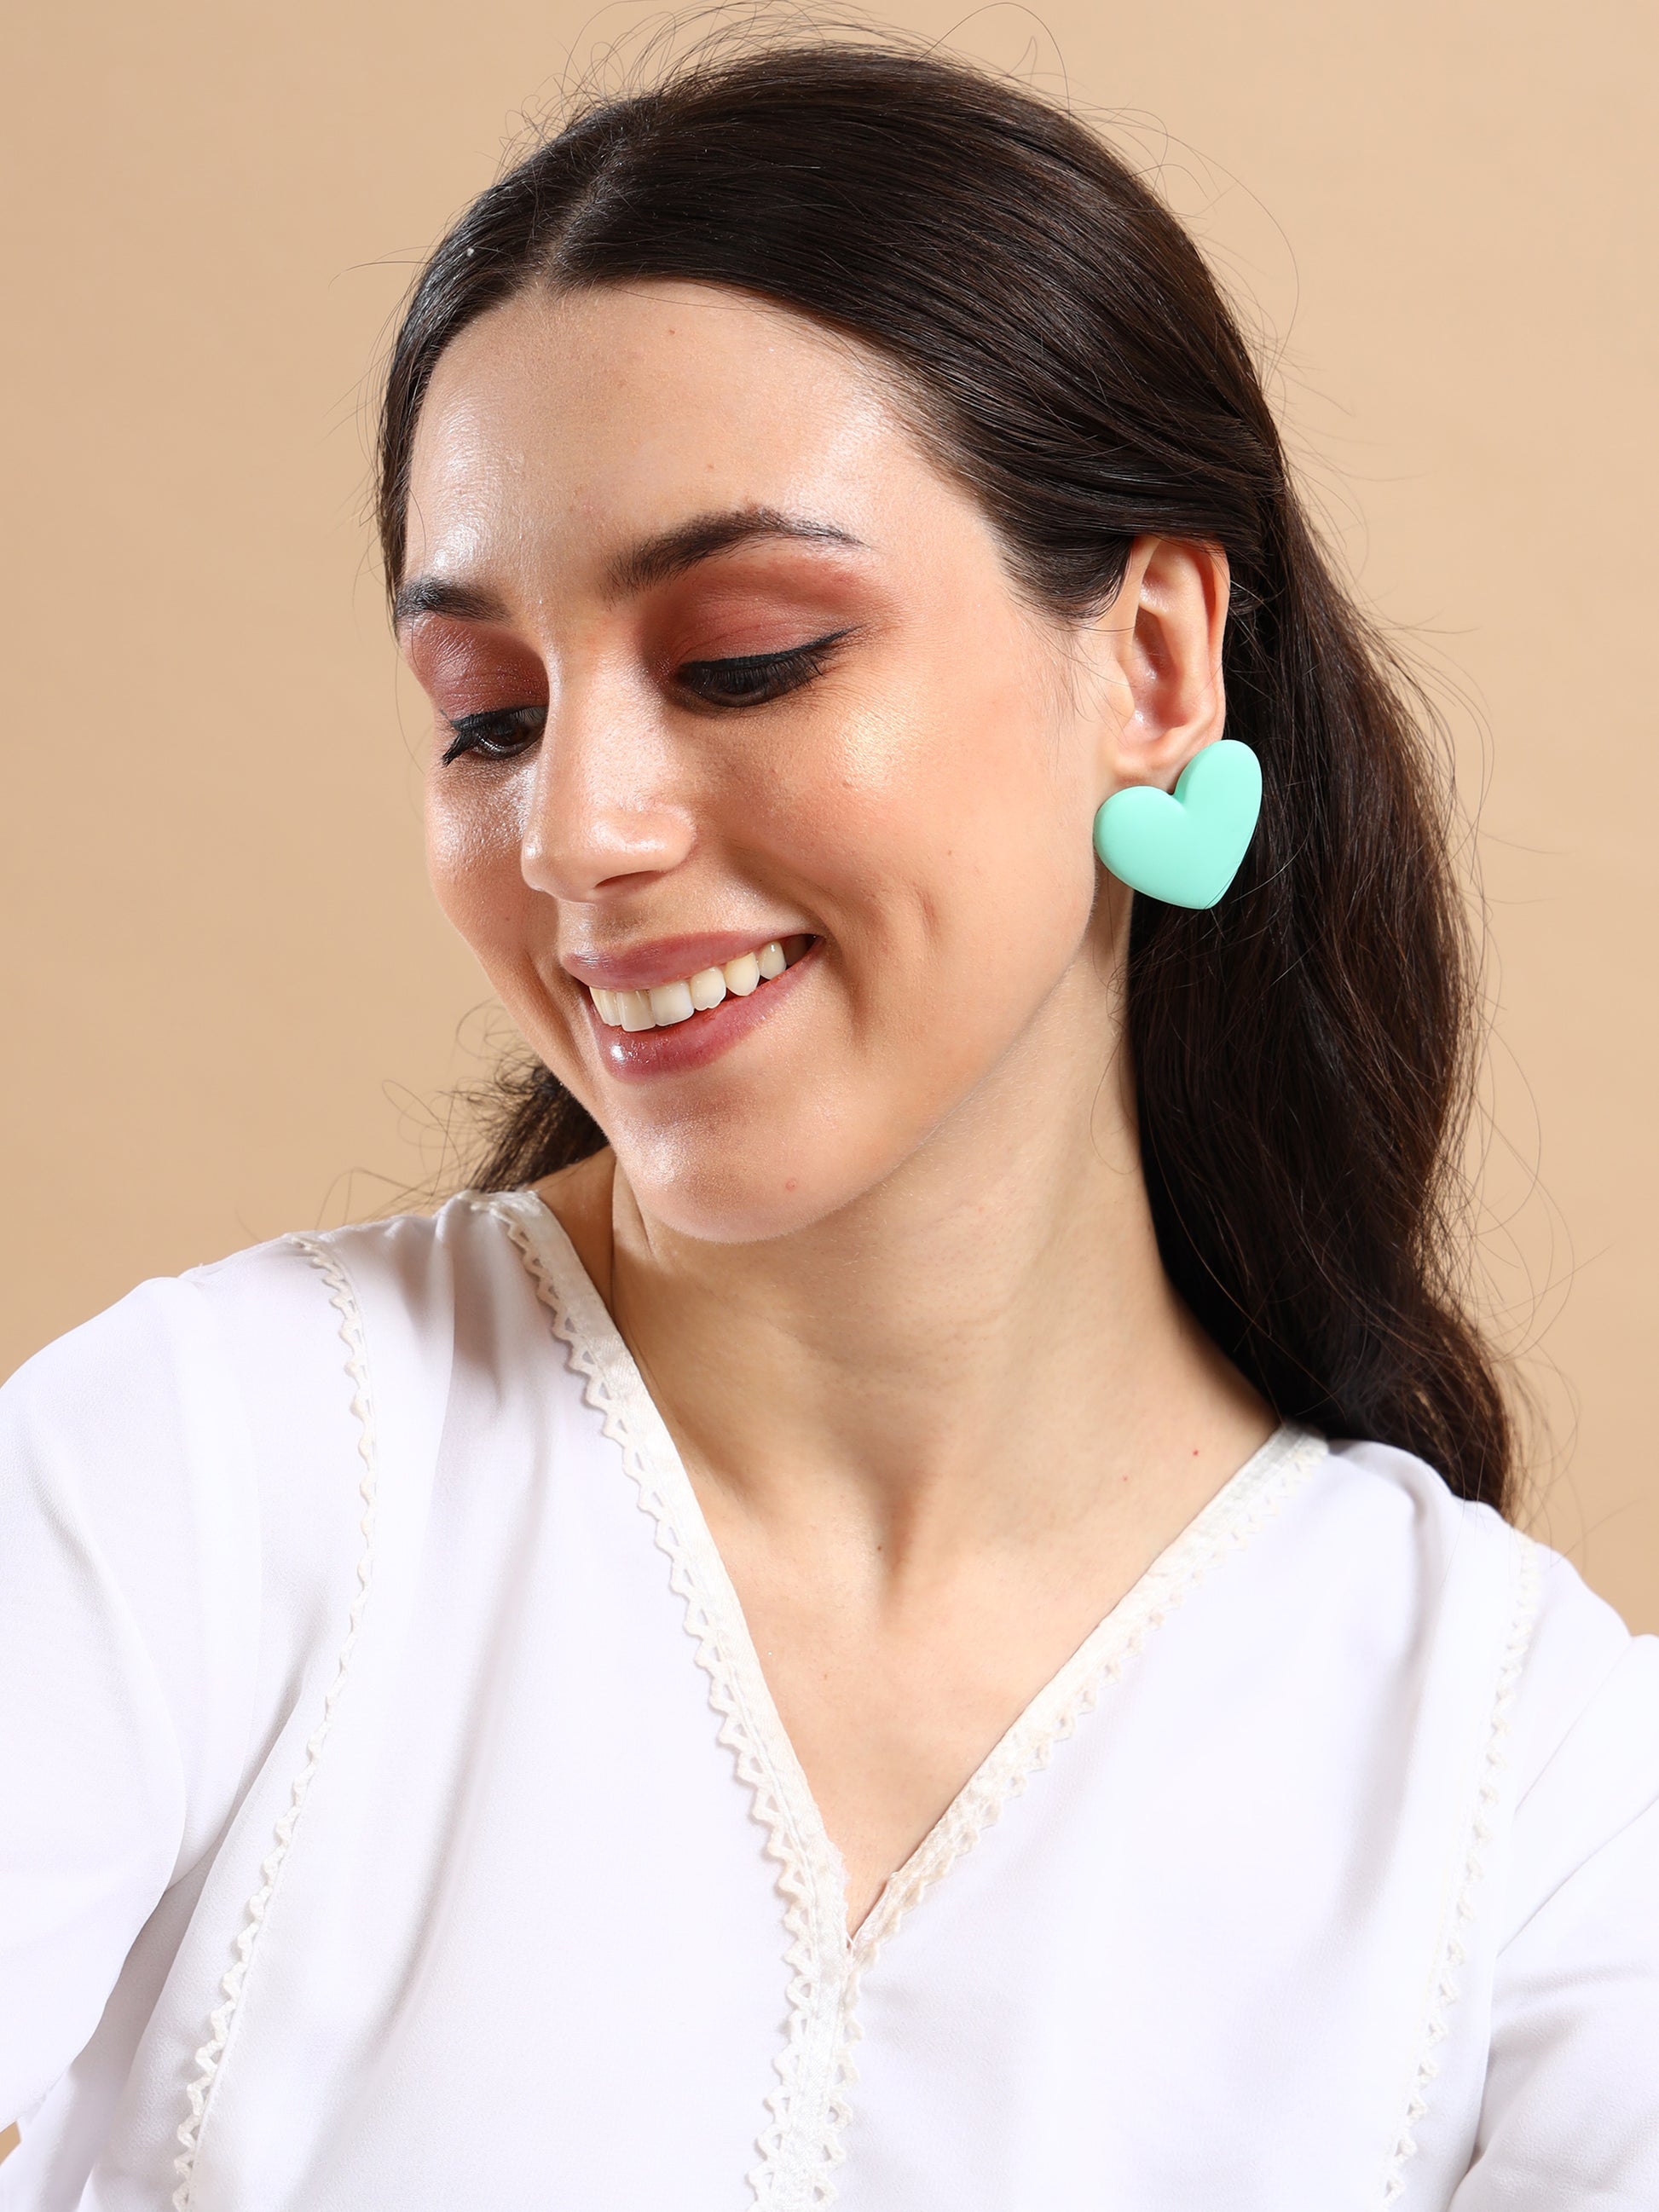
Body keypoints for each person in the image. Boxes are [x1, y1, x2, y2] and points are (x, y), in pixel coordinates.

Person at [2, 38, 1655, 2212]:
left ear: (1152, 665)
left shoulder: (1522, 1779)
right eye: (486, 716)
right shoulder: (193, 1489)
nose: (575, 830)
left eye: (748, 655)